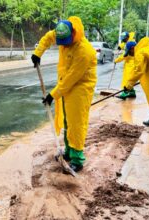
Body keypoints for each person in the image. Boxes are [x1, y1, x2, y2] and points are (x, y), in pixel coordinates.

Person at [31, 16, 97, 173]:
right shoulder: (61, 31)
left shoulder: (84, 51)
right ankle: (68, 151)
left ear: (74, 33)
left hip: (80, 86)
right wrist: (38, 52)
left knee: (77, 122)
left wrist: (52, 95)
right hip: (65, 83)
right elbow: (48, 38)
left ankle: (78, 159)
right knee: (67, 120)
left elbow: (71, 79)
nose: (64, 45)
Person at [124, 37, 149, 129]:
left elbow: (138, 71)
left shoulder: (140, 52)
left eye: (130, 52)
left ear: (133, 48)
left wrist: (128, 86)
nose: (131, 55)